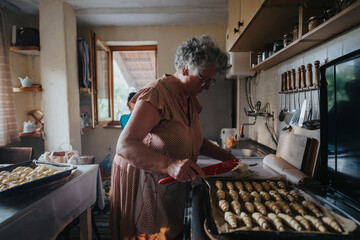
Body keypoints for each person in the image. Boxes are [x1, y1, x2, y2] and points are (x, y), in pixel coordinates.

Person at [110, 35, 237, 240]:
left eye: (211, 82)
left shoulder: (191, 98)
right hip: (145, 179)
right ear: (185, 68)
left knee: (170, 232)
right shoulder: (157, 94)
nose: (206, 88)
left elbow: (196, 142)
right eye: (203, 79)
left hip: (168, 181)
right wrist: (170, 164)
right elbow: (125, 146)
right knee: (150, 234)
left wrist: (229, 159)